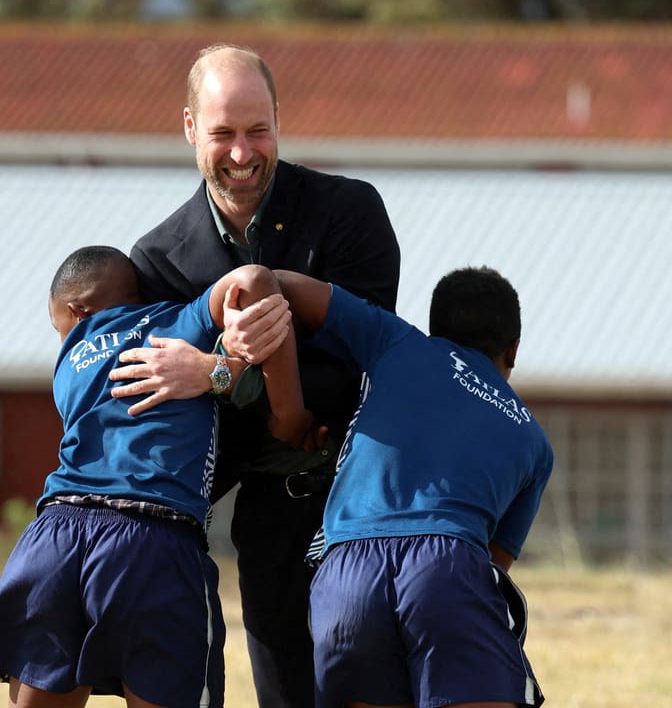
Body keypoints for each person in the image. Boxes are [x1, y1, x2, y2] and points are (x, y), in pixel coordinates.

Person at [107, 44, 401, 706]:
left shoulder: (352, 212)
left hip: (360, 502)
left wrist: (222, 367)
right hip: (261, 514)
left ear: (279, 119)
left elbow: (357, 362)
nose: (243, 154)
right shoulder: (153, 261)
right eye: (223, 134)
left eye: (257, 130)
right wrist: (227, 374)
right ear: (189, 128)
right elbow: (161, 410)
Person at [0, 246, 308, 708]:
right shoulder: (179, 324)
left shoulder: (70, 361)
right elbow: (252, 277)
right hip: (152, 536)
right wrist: (275, 403)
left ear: (76, 311)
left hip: (53, 537)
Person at [261, 265, 553, 708]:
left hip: (345, 574)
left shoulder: (398, 341)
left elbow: (274, 282)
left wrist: (289, 409)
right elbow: (493, 563)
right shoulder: (534, 438)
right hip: (448, 564)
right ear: (513, 349)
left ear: (434, 326)